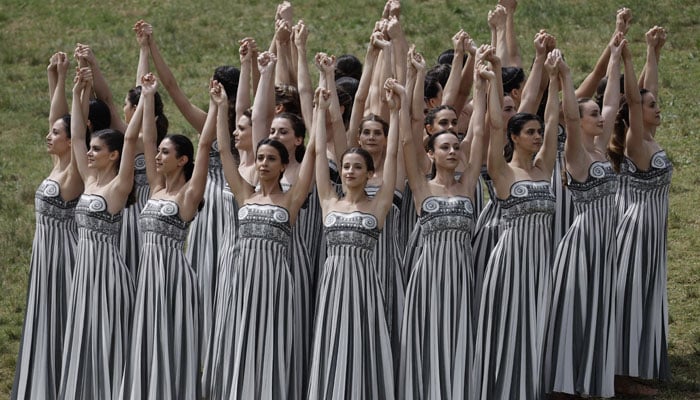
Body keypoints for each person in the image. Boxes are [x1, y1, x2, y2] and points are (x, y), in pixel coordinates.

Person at [205, 78, 315, 399]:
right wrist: (220, 107)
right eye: (261, 158)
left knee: (274, 341)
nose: (264, 163)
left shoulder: (291, 200)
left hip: (278, 283)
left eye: (271, 159)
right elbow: (224, 150)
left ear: (282, 166)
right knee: (241, 337)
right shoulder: (244, 194)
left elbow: (313, 156)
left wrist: (319, 115)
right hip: (243, 280)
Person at [399, 44, 491, 399]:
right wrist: (415, 79)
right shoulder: (422, 187)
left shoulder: (467, 185)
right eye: (446, 147)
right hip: (428, 275)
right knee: (427, 338)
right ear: (432, 153)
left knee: (458, 340)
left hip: (462, 273)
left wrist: (484, 86)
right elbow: (407, 136)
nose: (453, 151)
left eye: (456, 146)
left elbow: (481, 131)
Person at [471, 49, 561, 400]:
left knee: (535, 327)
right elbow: (494, 126)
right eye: (530, 132)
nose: (537, 136)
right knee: (507, 327)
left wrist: (557, 80)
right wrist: (493, 83)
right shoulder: (503, 172)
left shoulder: (544, 168)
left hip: (541, 263)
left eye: (538, 131)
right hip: (510, 263)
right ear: (515, 137)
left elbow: (553, 120)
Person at [118, 74, 213, 399]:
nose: (157, 157)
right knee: (145, 340)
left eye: (165, 153)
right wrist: (147, 98)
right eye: (158, 153)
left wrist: (215, 109)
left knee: (171, 342)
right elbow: (144, 141)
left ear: (182, 160)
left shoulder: (188, 196)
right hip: (148, 277)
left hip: (174, 278)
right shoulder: (155, 188)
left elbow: (203, 145)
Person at [307, 80, 398, 399]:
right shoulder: (329, 201)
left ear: (367, 172)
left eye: (357, 167)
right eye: (346, 166)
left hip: (364, 285)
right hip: (333, 284)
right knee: (331, 340)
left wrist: (396, 113)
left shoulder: (379, 204)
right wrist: (319, 113)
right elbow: (319, 155)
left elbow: (395, 153)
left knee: (363, 341)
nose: (349, 171)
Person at [544, 35, 624, 399]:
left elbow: (610, 102)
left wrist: (616, 57)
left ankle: (591, 377)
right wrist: (563, 76)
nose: (601, 117)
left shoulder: (602, 151)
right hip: (582, 241)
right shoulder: (576, 154)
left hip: (606, 240)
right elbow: (573, 118)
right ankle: (563, 383)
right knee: (576, 308)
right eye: (593, 114)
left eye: (599, 115)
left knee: (599, 308)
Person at [58, 64, 139, 399]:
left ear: (114, 156)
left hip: (109, 275)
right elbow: (76, 136)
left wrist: (145, 100)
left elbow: (132, 138)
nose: (89, 154)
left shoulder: (120, 186)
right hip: (84, 272)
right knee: (83, 336)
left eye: (96, 151)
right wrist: (79, 94)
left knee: (109, 340)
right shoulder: (88, 179)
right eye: (90, 150)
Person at [12, 52, 84, 400]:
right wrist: (54, 76)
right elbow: (59, 117)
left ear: (71, 141)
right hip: (44, 254)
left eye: (55, 134)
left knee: (59, 319)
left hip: (62, 256)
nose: (48, 135)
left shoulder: (75, 172)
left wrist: (76, 93)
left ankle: (57, 387)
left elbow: (73, 126)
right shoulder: (59, 163)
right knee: (44, 316)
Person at [613, 25, 671, 397]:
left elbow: (646, 93)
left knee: (648, 294)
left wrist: (653, 51)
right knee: (631, 296)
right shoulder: (636, 142)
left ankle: (639, 366)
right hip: (636, 228)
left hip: (653, 227)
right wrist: (630, 58)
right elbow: (636, 101)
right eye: (653, 106)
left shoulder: (648, 138)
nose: (657, 107)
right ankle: (621, 376)